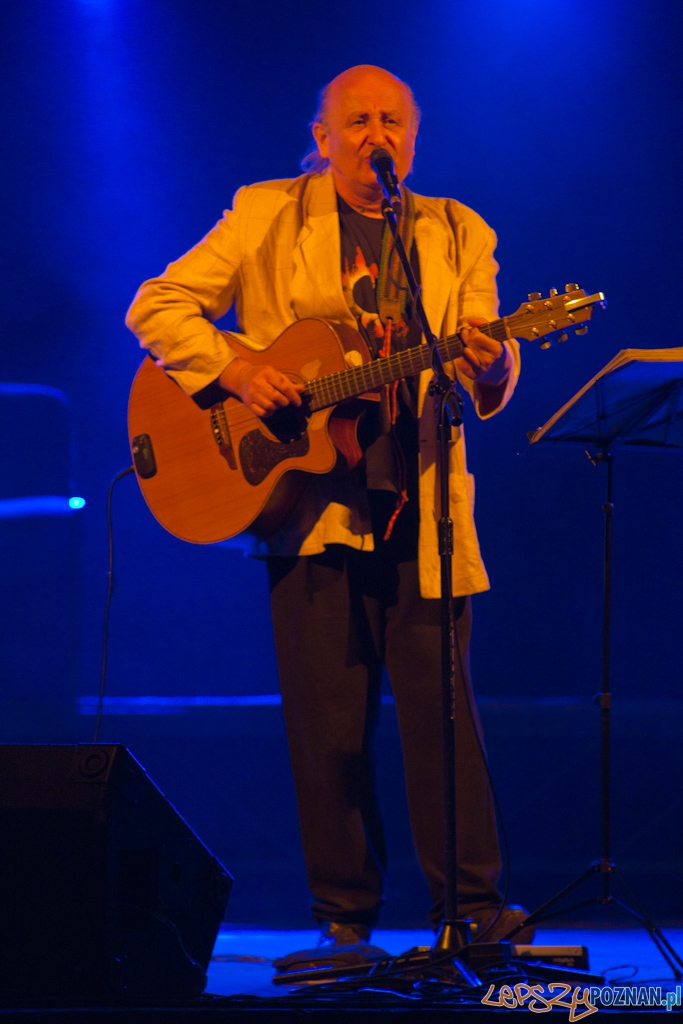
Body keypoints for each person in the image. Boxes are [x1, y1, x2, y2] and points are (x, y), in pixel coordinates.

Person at [126, 65, 531, 946]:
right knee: (328, 734)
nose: (373, 135)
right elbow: (157, 305)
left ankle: (471, 913)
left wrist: (494, 362)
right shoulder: (266, 212)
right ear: (322, 136)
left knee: (444, 727)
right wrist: (235, 370)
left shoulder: (457, 231)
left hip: (420, 508)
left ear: (412, 139)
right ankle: (343, 925)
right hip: (306, 509)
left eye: (391, 120)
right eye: (355, 121)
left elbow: (477, 357)